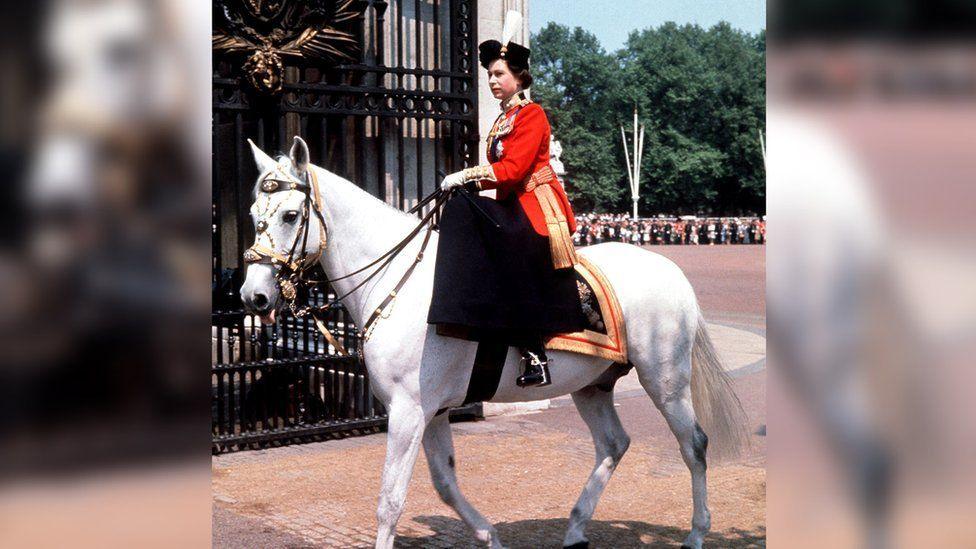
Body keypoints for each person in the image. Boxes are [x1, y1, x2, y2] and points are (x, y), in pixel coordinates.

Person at [427, 11, 585, 388]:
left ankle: (535, 352)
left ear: (519, 77)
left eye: (499, 74)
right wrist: (466, 186)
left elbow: (513, 171)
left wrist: (466, 176)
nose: (493, 80)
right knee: (462, 206)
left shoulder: (532, 115)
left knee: (487, 230)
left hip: (538, 208)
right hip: (514, 203)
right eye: (490, 75)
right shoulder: (502, 120)